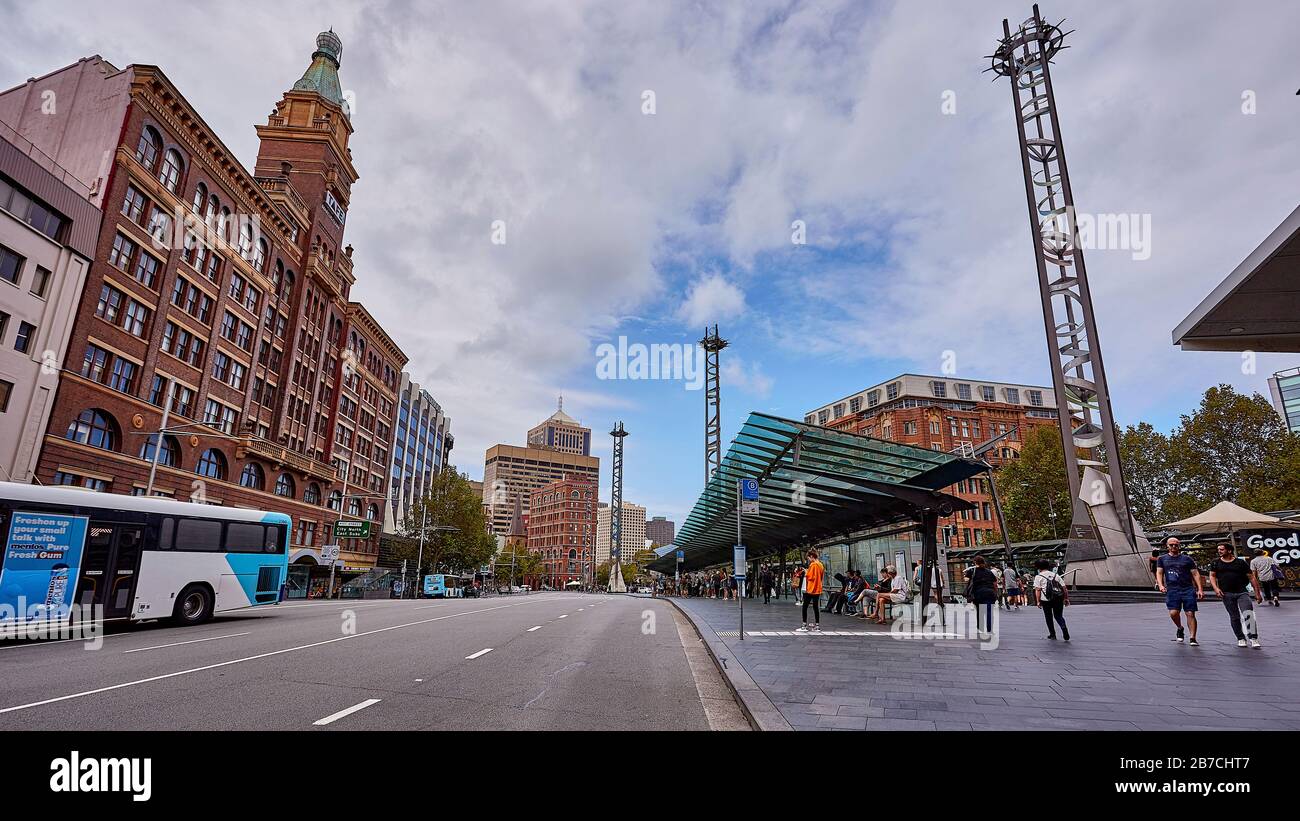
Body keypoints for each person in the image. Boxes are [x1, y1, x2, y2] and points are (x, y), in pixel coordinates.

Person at [1209, 542, 1262, 648]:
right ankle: (1241, 638)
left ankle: (1253, 638)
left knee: (1248, 613)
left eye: (1222, 549)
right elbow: (1212, 576)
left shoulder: (1240, 563)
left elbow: (1251, 577)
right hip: (1226, 593)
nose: (1219, 551)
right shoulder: (1215, 563)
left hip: (1242, 592)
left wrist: (1257, 593)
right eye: (1218, 549)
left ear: (1229, 550)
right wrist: (1216, 588)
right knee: (1234, 617)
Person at [1155, 537, 1204, 646]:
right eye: (1171, 545)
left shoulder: (1187, 559)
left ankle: (1192, 638)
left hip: (1188, 589)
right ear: (1167, 546)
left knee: (1190, 613)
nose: (1174, 547)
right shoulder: (1162, 559)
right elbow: (1159, 572)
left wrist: (1200, 589)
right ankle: (1180, 627)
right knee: (1173, 613)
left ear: (1179, 546)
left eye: (1176, 545)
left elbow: (1195, 574)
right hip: (1172, 589)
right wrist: (1161, 585)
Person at [1032, 559, 1070, 640]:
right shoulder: (1056, 575)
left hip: (1046, 600)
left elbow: (1038, 590)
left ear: (1038, 568)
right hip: (1058, 598)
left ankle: (1052, 634)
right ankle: (1064, 629)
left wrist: (1038, 601)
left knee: (1048, 617)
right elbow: (1064, 588)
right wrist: (1066, 598)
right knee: (1059, 616)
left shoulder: (1038, 577)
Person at [966, 555, 999, 634]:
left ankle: (980, 628)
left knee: (980, 611)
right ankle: (989, 629)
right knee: (989, 611)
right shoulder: (989, 571)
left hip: (978, 593)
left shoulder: (972, 571)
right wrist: (995, 593)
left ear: (975, 562)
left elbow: (966, 579)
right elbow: (995, 583)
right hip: (990, 593)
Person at [796, 549, 824, 632]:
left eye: (808, 558)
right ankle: (817, 626)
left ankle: (804, 625)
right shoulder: (820, 565)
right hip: (818, 588)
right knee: (816, 607)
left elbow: (811, 576)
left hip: (811, 589)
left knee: (805, 607)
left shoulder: (813, 565)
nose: (808, 560)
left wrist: (806, 571)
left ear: (811, 556)